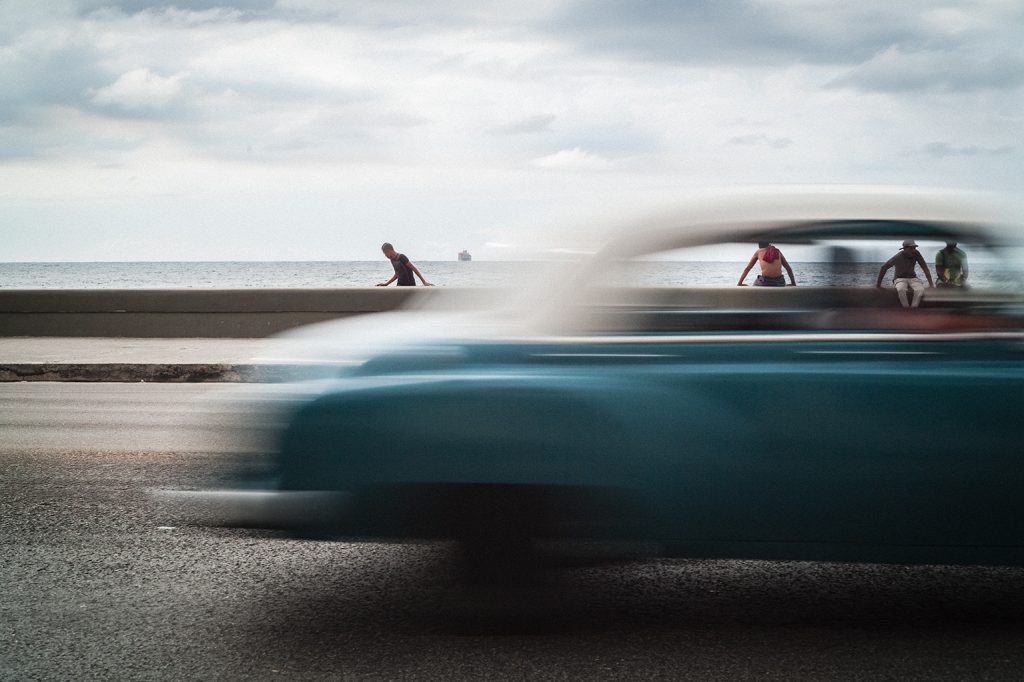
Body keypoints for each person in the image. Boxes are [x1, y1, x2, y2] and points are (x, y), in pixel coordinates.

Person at [876, 239, 933, 308]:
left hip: (913, 278)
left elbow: (925, 268)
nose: (913, 250)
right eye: (911, 248)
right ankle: (906, 308)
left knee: (920, 290)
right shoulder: (898, 257)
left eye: (914, 248)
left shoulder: (916, 254)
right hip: (900, 278)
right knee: (901, 290)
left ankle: (913, 308)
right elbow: (884, 268)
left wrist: (931, 285)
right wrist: (878, 285)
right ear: (905, 248)